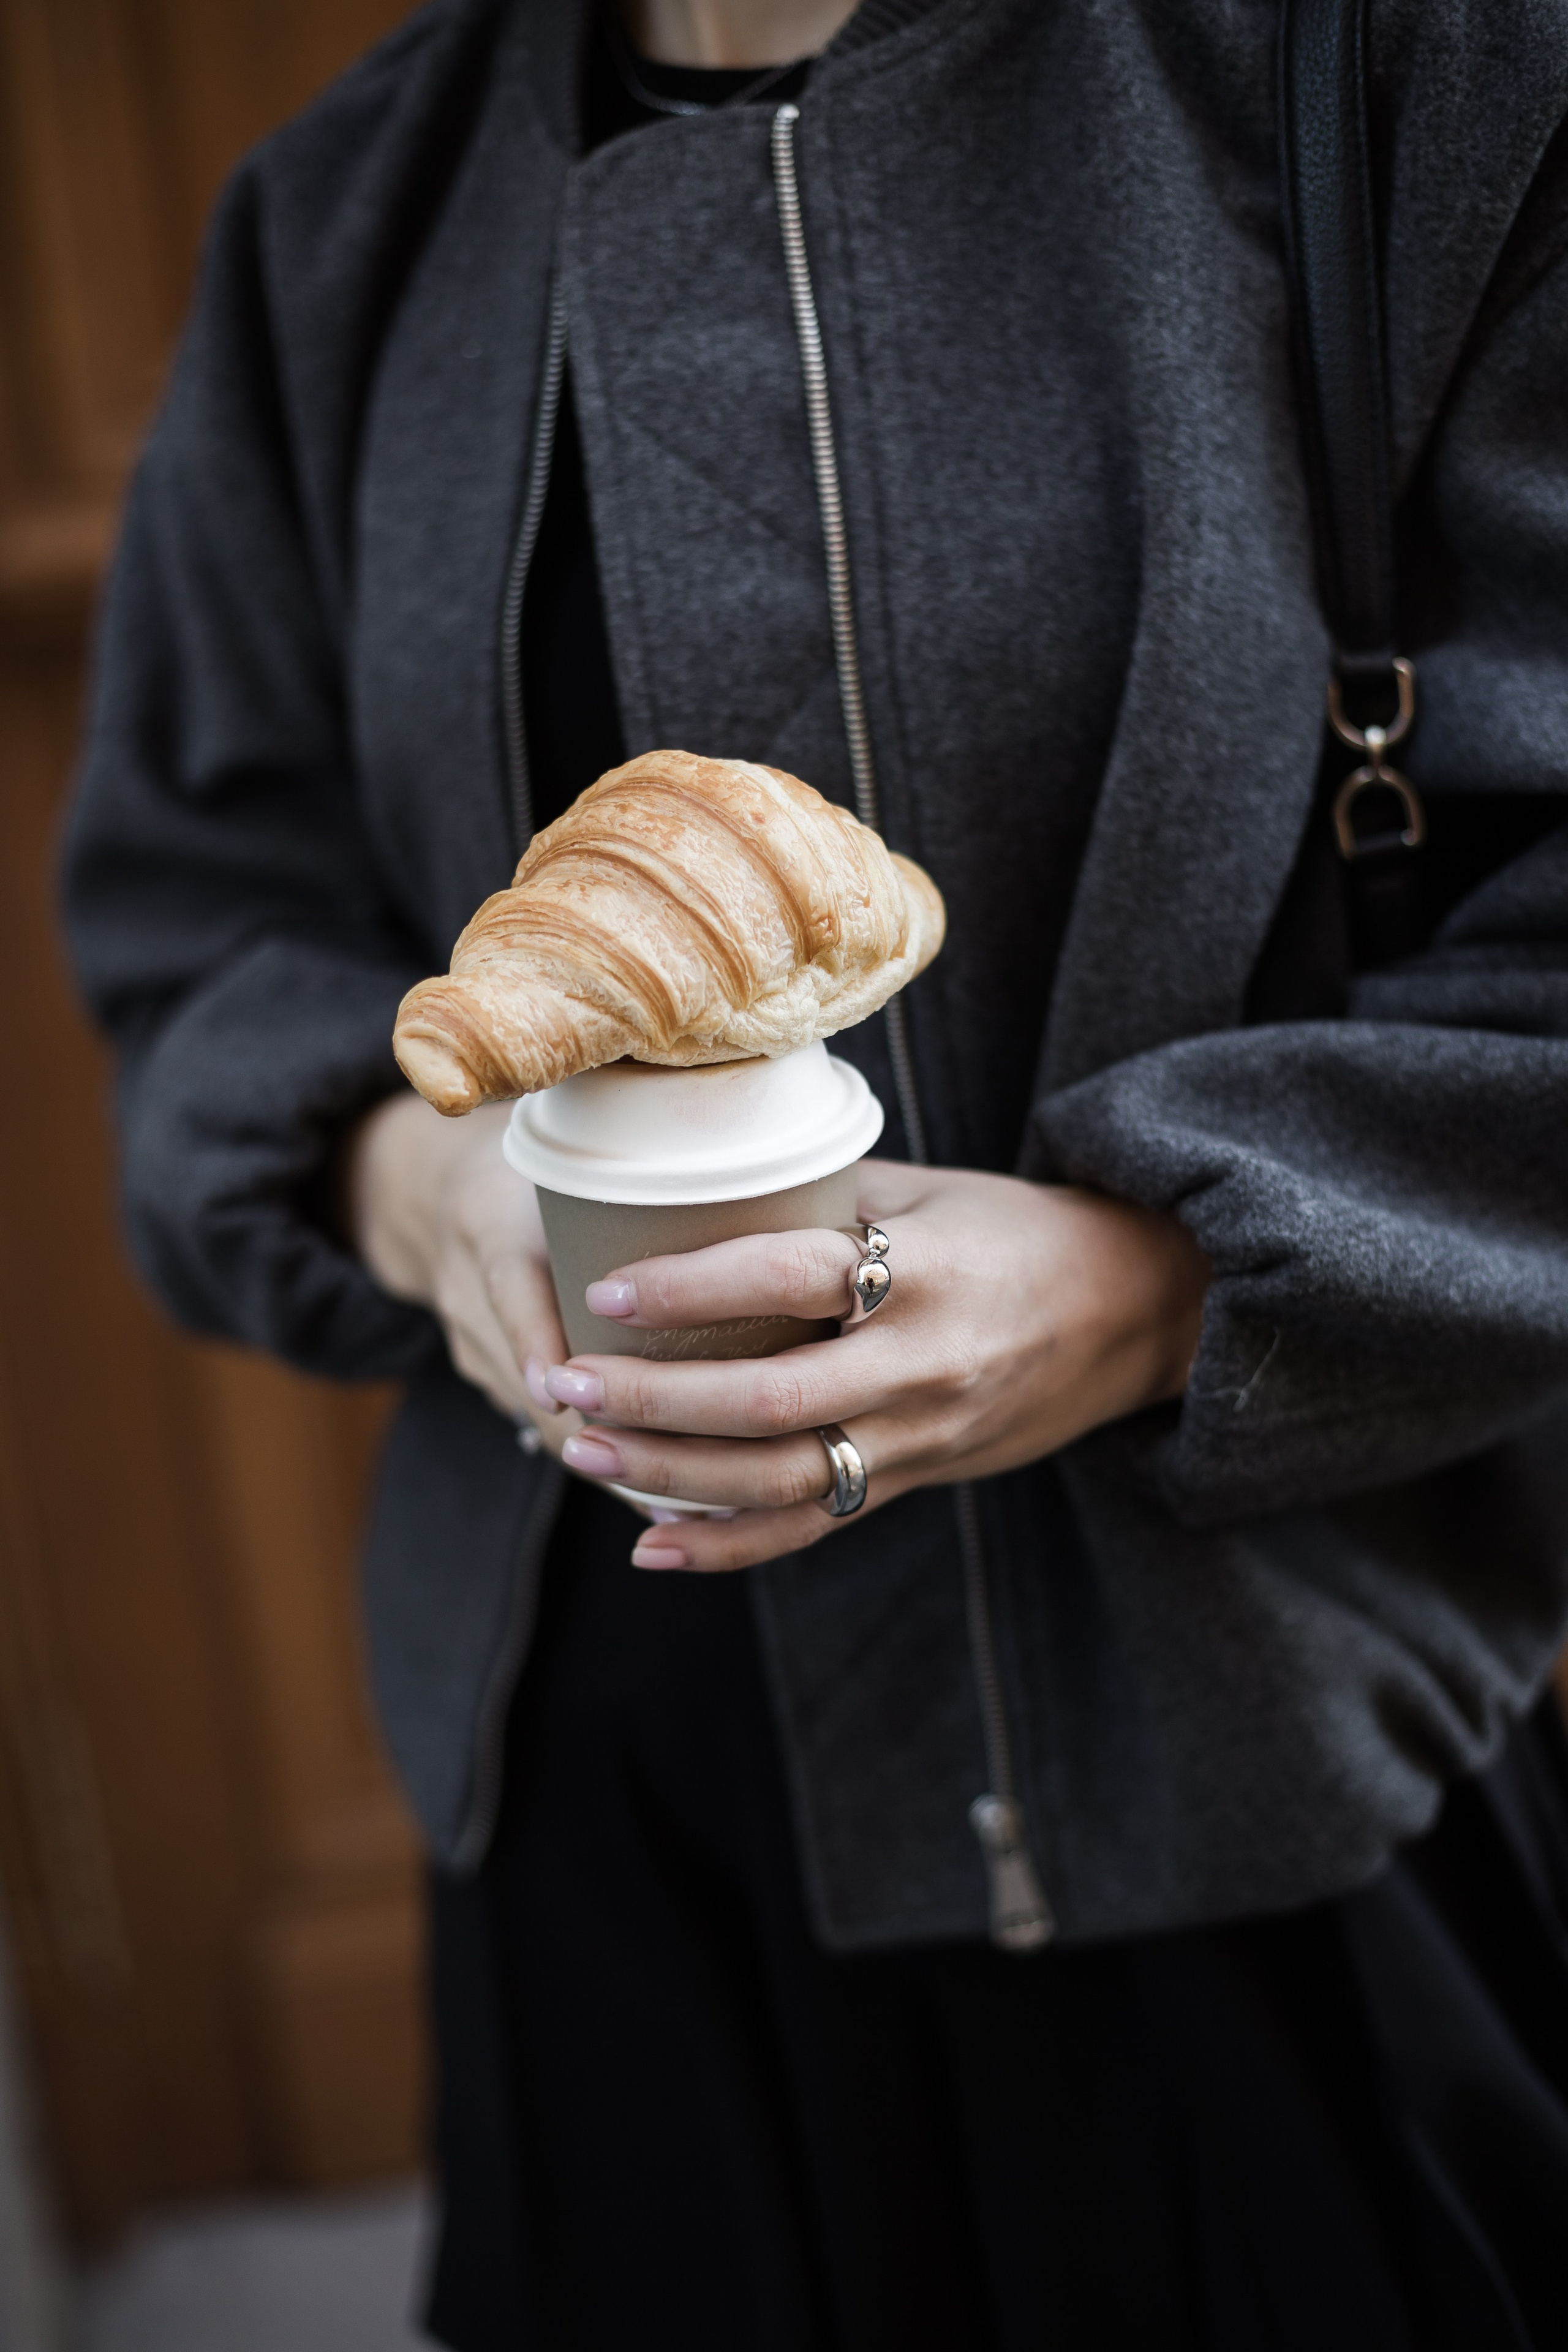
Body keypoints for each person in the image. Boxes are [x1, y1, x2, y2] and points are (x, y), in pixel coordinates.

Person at [62, 0, 1568, 2343]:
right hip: (609, 1847)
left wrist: (1163, 1279)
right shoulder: (344, 214)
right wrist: (411, 1179)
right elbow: (195, 936)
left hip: (1253, 1801)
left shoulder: (1422, 78)